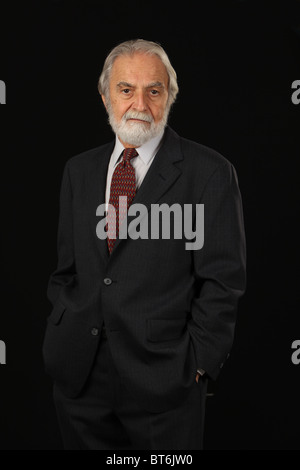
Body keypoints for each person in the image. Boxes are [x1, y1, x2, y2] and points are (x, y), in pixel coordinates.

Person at [43, 39, 246, 450]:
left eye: (154, 90)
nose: (140, 103)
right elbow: (68, 269)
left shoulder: (210, 173)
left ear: (169, 96)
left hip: (165, 380)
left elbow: (224, 281)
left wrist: (197, 366)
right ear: (105, 97)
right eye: (125, 89)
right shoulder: (78, 171)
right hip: (80, 377)